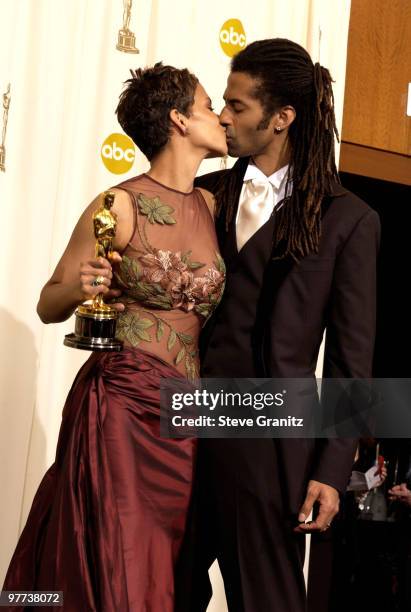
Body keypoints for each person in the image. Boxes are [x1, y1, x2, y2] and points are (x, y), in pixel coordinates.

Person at [2, 62, 227, 611]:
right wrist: (82, 288)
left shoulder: (211, 204)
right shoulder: (118, 205)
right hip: (122, 408)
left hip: (187, 415)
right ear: (179, 119)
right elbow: (48, 302)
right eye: (207, 105)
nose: (220, 115)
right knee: (122, 558)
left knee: (164, 566)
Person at [186, 38, 381, 612]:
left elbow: (351, 363)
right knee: (159, 591)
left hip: (270, 447)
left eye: (237, 106)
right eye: (222, 102)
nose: (223, 116)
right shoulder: (206, 195)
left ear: (282, 118)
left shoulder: (349, 220)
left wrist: (330, 469)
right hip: (184, 428)